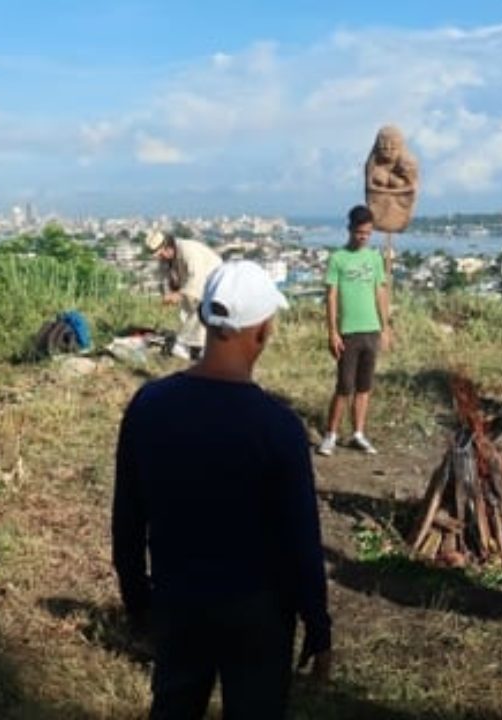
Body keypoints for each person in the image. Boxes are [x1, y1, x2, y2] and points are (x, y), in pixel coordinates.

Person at [112, 260, 331, 719]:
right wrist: (317, 623)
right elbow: (301, 539)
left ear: (208, 322)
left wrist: (138, 601)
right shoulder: (278, 427)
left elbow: (127, 519)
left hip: (178, 598)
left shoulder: (149, 405)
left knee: (174, 707)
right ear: (263, 330)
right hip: (260, 611)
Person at [316, 205, 392, 456]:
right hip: (348, 331)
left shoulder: (374, 258)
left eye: (368, 233)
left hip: (371, 329)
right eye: (360, 232)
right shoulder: (338, 258)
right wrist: (333, 332)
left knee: (364, 386)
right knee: (344, 386)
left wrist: (385, 326)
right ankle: (331, 434)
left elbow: (380, 291)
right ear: (350, 229)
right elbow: (332, 296)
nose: (363, 237)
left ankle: (358, 433)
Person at [144, 229, 223, 361]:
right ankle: (195, 346)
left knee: (201, 309)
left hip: (213, 278)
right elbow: (163, 277)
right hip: (193, 281)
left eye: (161, 253)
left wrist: (178, 295)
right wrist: (167, 293)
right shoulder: (166, 258)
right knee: (189, 309)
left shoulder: (188, 250)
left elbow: (197, 278)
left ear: (168, 247)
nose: (160, 258)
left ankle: (189, 345)